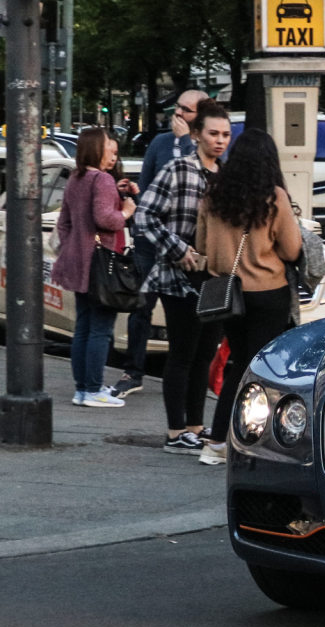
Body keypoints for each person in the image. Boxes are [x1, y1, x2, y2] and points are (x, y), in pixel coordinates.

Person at [196, 129, 303, 466]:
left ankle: (218, 441)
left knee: (238, 365)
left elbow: (201, 246)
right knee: (266, 372)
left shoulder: (213, 194)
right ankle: (250, 443)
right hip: (268, 294)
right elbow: (292, 249)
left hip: (229, 296)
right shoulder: (274, 198)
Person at [134, 98, 232, 454]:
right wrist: (178, 250)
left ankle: (195, 425)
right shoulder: (178, 169)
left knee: (206, 352)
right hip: (180, 276)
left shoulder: (226, 176)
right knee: (182, 353)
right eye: (213, 133)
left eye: (225, 134)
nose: (220, 140)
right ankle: (175, 432)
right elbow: (144, 215)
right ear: (196, 134)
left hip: (216, 276)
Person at [111, 89, 208, 399]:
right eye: (176, 107)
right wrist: (134, 196)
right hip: (153, 241)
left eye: (185, 110)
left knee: (188, 313)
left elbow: (193, 184)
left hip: (185, 245)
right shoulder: (160, 142)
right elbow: (150, 191)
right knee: (141, 307)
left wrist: (183, 143)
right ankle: (133, 371)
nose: (177, 114)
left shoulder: (203, 146)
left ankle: (188, 376)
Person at [51, 128, 137, 408]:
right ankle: (94, 389)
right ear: (96, 149)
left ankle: (81, 389)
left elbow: (64, 222)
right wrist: (125, 212)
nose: (112, 154)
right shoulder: (100, 179)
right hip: (102, 265)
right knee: (101, 329)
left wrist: (75, 244)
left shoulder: (76, 178)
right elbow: (106, 218)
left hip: (78, 263)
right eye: (108, 148)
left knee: (83, 328)